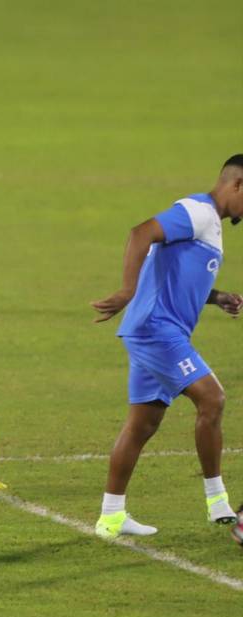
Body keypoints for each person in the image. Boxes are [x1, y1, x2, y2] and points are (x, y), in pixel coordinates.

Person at [90, 154, 243, 540]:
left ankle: (111, 516)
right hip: (157, 331)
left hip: (156, 331)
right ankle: (217, 502)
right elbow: (141, 232)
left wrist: (218, 296)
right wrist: (126, 290)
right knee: (213, 399)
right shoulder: (199, 211)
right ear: (237, 185)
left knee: (143, 424)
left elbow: (179, 278)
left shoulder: (211, 225)